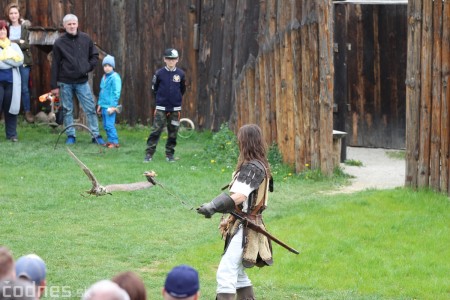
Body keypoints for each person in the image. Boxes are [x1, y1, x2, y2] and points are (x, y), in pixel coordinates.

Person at [197, 124, 274, 300]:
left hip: (248, 227)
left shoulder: (253, 168)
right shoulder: (259, 165)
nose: (238, 142)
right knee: (238, 274)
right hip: (246, 223)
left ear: (246, 142)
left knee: (226, 272)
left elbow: (240, 196)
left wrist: (213, 206)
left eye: (240, 139)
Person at [50, 13, 105, 145]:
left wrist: (87, 67)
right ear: (64, 26)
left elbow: (95, 55)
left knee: (90, 108)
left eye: (74, 23)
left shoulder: (86, 39)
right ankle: (71, 136)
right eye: (69, 24)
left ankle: (96, 135)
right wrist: (54, 86)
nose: (72, 26)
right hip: (65, 82)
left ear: (77, 24)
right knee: (68, 110)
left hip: (82, 81)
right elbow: (55, 64)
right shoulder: (59, 43)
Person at [144, 48, 186, 163]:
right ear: (164, 59)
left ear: (177, 60)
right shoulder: (159, 73)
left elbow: (182, 89)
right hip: (161, 108)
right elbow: (154, 88)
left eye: (173, 59)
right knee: (156, 131)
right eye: (168, 59)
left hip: (175, 109)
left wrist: (175, 100)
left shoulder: (181, 74)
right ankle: (149, 154)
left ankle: (170, 154)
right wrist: (161, 100)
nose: (171, 61)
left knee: (173, 132)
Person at [5, 2, 34, 123]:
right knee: (9, 88)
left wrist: (12, 42)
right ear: (8, 15)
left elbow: (26, 44)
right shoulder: (6, 28)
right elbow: (4, 43)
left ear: (19, 14)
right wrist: (19, 42)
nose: (13, 15)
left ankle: (27, 111)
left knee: (24, 88)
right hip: (8, 61)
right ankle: (7, 113)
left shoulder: (25, 27)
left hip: (23, 61)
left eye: (15, 13)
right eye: (11, 13)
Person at [0, 19, 23, 142]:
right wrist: (10, 61)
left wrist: (4, 60)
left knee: (11, 109)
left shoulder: (13, 46)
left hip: (11, 83)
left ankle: (12, 135)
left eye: (4, 29)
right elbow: (13, 62)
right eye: (0, 29)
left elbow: (19, 61)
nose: (2, 31)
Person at [96, 54, 122, 148]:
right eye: (105, 66)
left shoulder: (115, 77)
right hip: (103, 105)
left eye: (109, 66)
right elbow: (102, 91)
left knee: (110, 124)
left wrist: (113, 106)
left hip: (110, 106)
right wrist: (99, 104)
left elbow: (116, 92)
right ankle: (110, 141)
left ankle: (115, 142)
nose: (107, 68)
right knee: (105, 125)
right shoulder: (104, 77)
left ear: (113, 66)